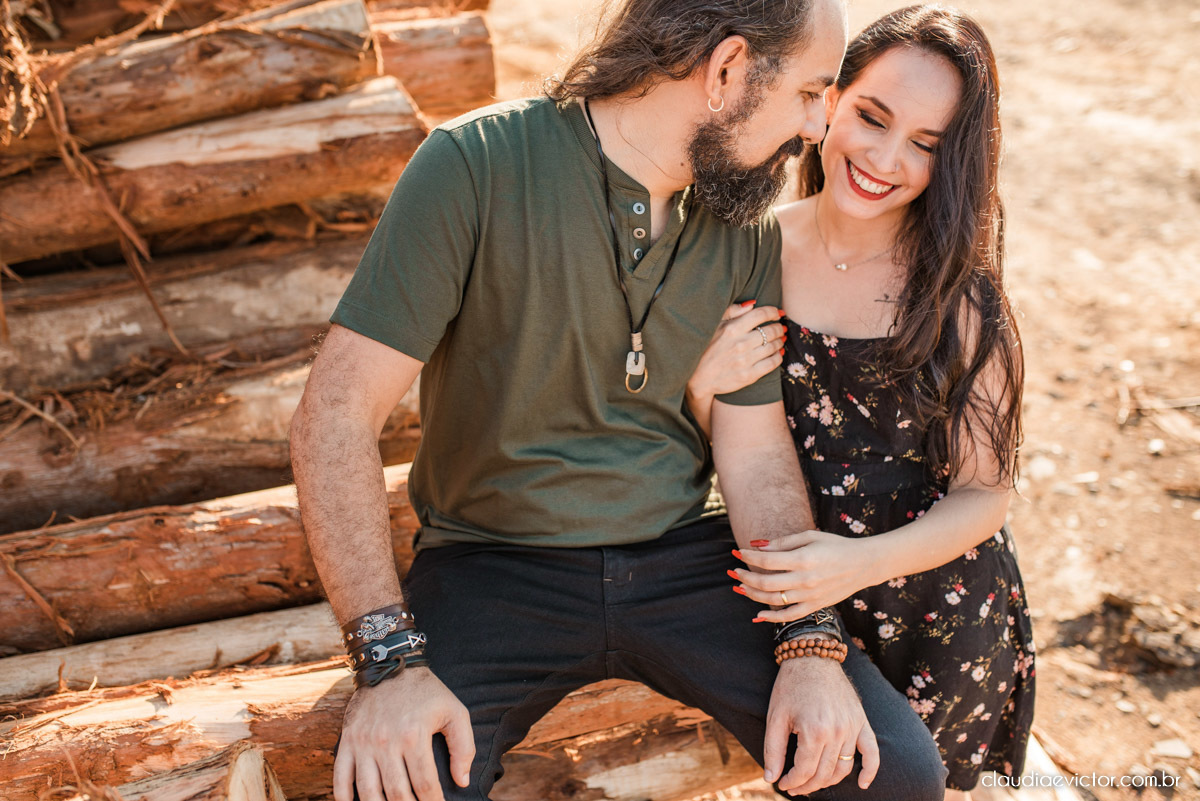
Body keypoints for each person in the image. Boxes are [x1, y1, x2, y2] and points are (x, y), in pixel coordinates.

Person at [289, 0, 951, 799]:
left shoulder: (744, 221)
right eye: (810, 92)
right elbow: (336, 412)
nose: (817, 126)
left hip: (687, 555)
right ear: (727, 70)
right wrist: (388, 659)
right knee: (402, 781)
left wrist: (808, 642)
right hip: (489, 562)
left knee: (893, 771)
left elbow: (752, 451)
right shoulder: (476, 164)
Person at [686, 6, 1036, 799]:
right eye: (872, 117)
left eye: (925, 144)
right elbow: (737, 446)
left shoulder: (958, 296)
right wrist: (700, 389)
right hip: (794, 589)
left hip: (936, 608)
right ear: (829, 100)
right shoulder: (748, 250)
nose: (884, 158)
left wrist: (860, 562)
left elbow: (985, 494)